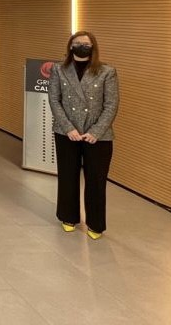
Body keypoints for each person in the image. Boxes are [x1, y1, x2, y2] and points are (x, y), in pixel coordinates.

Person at [48, 31, 119, 239]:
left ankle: (95, 224)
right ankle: (68, 216)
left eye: (86, 44)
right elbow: (54, 100)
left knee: (96, 180)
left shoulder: (107, 71)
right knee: (67, 176)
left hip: (98, 136)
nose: (82, 46)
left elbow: (111, 104)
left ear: (93, 47)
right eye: (77, 43)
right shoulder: (59, 69)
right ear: (71, 46)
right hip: (66, 133)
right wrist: (68, 128)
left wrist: (96, 131)